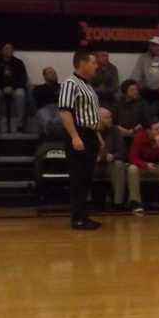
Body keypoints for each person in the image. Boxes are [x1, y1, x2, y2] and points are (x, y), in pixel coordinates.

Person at [57, 50, 104, 231]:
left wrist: (98, 136)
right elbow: (64, 111)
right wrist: (75, 136)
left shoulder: (88, 86)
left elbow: (91, 116)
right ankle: (77, 218)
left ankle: (83, 215)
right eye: (93, 62)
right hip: (79, 134)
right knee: (78, 177)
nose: (96, 66)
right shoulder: (70, 83)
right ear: (82, 63)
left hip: (90, 135)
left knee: (86, 178)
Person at [127, 120, 159, 214]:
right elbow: (132, 158)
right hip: (143, 166)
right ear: (149, 131)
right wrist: (145, 164)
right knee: (132, 169)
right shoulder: (139, 137)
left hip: (158, 165)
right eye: (156, 129)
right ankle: (136, 202)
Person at [0, 42, 29, 133]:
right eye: (6, 48)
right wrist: (3, 87)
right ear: (2, 50)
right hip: (0, 87)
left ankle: (20, 125)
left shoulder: (18, 62)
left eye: (11, 48)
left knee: (21, 94)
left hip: (15, 88)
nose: (9, 50)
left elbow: (23, 79)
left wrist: (12, 87)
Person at [96, 107, 131, 211]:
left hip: (109, 165)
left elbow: (122, 152)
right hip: (94, 166)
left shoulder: (115, 131)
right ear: (98, 119)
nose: (110, 120)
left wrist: (113, 156)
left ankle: (118, 203)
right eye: (107, 118)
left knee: (119, 164)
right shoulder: (91, 131)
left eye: (110, 117)